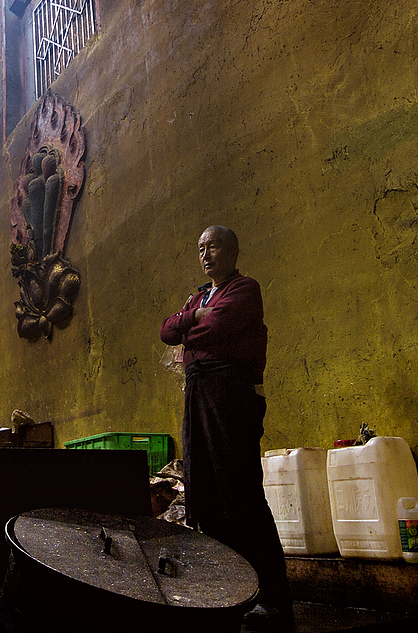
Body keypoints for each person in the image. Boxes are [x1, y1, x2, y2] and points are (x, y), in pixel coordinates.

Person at [160, 226, 294, 632]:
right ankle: (231, 596)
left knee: (241, 494)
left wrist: (193, 328)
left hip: (230, 394)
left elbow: (213, 331)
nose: (206, 254)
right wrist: (193, 317)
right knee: (204, 495)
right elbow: (168, 331)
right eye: (200, 248)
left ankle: (271, 600)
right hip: (197, 394)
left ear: (233, 251)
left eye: (213, 246)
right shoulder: (198, 297)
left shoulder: (244, 289)